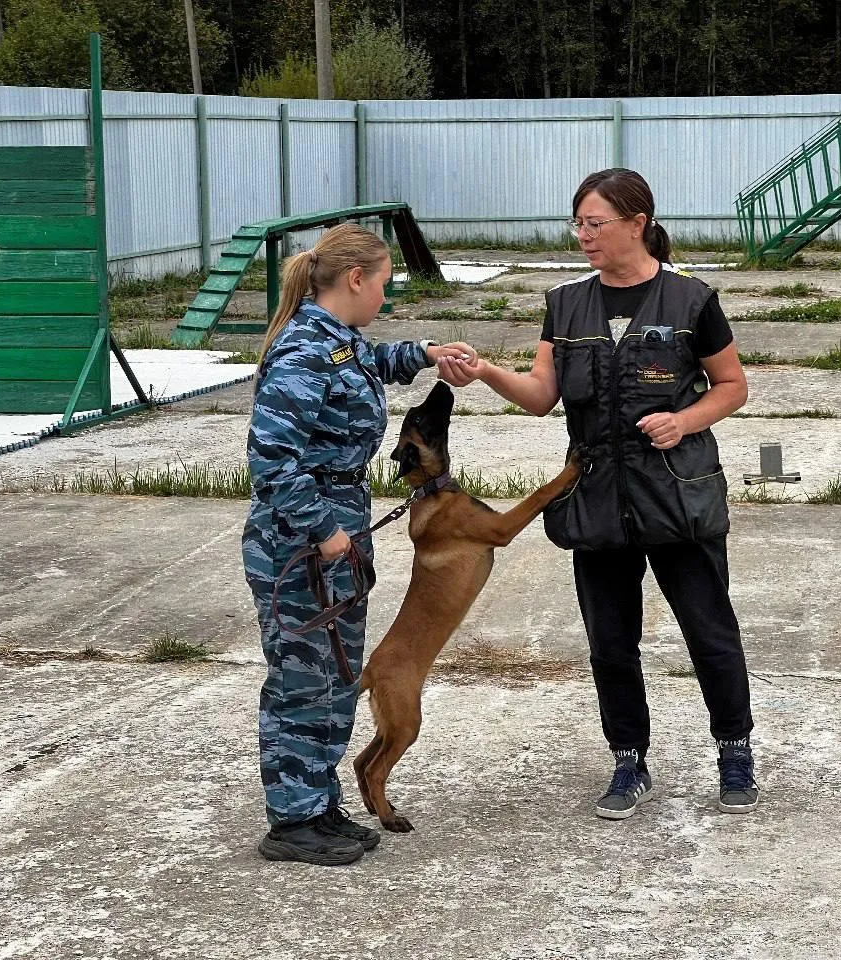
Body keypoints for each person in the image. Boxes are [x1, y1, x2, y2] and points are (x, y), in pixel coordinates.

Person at [438, 168, 759, 820]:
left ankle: (734, 749)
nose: (584, 236)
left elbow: (731, 385)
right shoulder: (566, 303)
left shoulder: (691, 300)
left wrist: (684, 420)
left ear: (637, 224)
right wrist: (487, 372)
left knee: (709, 631)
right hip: (597, 497)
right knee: (610, 642)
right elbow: (540, 397)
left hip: (677, 495)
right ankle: (628, 760)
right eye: (578, 224)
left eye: (596, 223)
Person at [243, 223, 477, 865]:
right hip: (300, 540)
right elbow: (269, 460)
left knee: (336, 673)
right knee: (302, 677)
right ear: (355, 280)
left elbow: (368, 362)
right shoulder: (302, 351)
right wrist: (323, 530)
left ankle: (317, 804)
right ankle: (291, 822)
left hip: (334, 525)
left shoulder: (337, 342)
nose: (385, 293)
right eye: (383, 281)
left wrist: (429, 354)